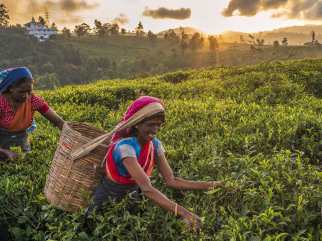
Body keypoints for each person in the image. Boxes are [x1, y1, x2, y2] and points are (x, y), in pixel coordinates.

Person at [89, 96, 226, 231]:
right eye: (150, 125)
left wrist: (210, 185)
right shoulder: (125, 147)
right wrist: (184, 213)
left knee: (131, 234)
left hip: (132, 195)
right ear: (137, 123)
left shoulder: (155, 145)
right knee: (97, 232)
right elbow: (147, 188)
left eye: (159, 125)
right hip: (107, 197)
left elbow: (171, 181)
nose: (155, 130)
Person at [0, 67, 65, 163]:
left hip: (23, 148)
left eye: (29, 91)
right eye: (21, 92)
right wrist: (5, 151)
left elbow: (58, 122)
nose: (26, 96)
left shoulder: (32, 100)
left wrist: (73, 137)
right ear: (10, 88)